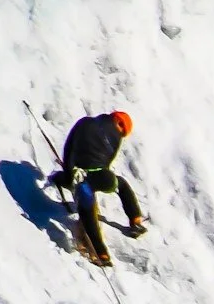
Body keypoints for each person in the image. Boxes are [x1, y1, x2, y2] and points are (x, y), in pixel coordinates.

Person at [49, 110, 148, 266]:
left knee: (86, 202)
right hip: (102, 176)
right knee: (120, 184)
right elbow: (105, 163)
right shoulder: (117, 139)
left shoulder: (85, 122)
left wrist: (68, 173)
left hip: (79, 174)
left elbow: (69, 149)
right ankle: (135, 221)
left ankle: (101, 254)